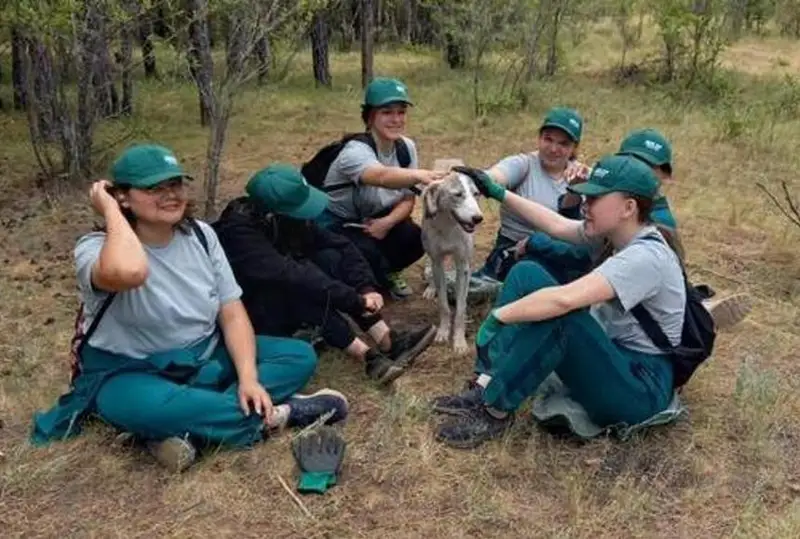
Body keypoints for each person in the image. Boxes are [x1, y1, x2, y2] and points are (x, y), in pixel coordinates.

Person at [30, 144, 348, 472]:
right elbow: (130, 272)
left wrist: (250, 378)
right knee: (150, 408)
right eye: (155, 188)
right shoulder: (94, 249)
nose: (171, 195)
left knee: (299, 356)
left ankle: (187, 430)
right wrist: (110, 211)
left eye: (176, 184)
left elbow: (231, 310)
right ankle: (285, 413)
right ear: (122, 196)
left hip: (206, 355)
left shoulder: (200, 235)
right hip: (131, 373)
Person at [432, 155, 687, 449]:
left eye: (595, 199)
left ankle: (495, 410)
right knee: (527, 274)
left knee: (562, 319)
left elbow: (564, 300)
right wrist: (497, 191)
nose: (584, 205)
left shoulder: (645, 257)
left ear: (628, 208)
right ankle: (485, 383)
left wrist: (500, 316)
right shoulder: (617, 236)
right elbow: (555, 224)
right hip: (616, 359)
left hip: (641, 388)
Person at [213, 164, 437, 386]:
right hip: (250, 310)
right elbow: (291, 275)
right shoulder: (238, 233)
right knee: (301, 288)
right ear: (275, 212)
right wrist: (355, 300)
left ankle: (387, 340)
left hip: (285, 285)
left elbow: (340, 245)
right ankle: (367, 356)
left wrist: (365, 287)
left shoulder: (284, 219)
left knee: (329, 257)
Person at [316, 77, 447, 299]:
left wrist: (387, 223)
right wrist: (420, 175)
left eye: (401, 112)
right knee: (365, 253)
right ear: (370, 117)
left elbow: (407, 197)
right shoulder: (354, 152)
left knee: (416, 237)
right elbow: (380, 176)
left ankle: (385, 273)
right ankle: (359, 284)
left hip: (375, 218)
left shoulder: (406, 147)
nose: (396, 119)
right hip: (337, 222)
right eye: (387, 112)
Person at [614, 128, 752, 330]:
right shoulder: (604, 188)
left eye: (650, 166)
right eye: (634, 161)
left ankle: (696, 308)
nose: (641, 170)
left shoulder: (660, 221)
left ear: (664, 175)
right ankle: (698, 307)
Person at [472, 106, 590, 284]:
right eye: (548, 139)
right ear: (539, 138)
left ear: (574, 147)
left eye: (563, 144)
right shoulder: (524, 165)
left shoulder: (583, 175)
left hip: (557, 250)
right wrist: (485, 180)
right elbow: (496, 176)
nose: (553, 149)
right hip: (515, 249)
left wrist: (577, 190)